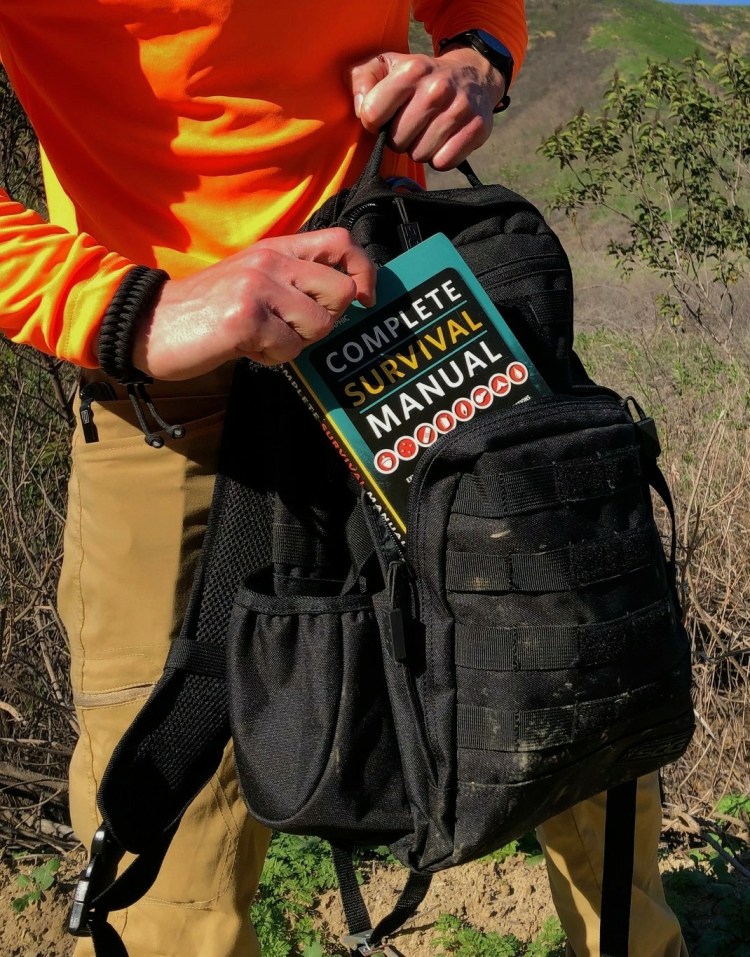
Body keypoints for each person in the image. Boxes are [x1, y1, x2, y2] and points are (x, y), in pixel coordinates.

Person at [0, 3, 687, 955]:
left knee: (582, 689)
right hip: (177, 389)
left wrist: (477, 56)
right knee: (170, 851)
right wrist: (127, 310)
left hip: (413, 322)